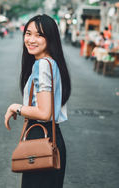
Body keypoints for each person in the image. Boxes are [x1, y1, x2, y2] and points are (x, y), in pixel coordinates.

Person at [4, 14, 71, 188]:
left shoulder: (42, 65)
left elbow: (44, 112)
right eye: (28, 33)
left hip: (41, 138)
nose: (31, 40)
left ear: (51, 39)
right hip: (52, 138)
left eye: (39, 35)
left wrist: (15, 107)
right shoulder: (52, 63)